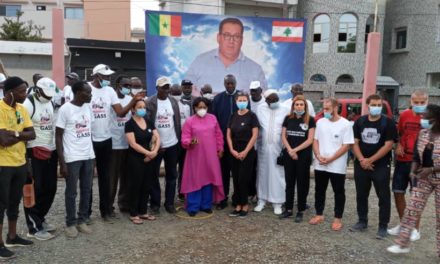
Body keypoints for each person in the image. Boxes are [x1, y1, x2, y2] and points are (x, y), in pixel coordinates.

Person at [88, 64, 143, 222]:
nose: (107, 78)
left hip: (107, 139)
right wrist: (133, 100)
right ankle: (87, 213)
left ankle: (107, 210)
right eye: (105, 76)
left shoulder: (109, 91)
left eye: (109, 76)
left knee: (107, 178)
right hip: (93, 140)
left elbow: (120, 112)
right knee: (92, 179)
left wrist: (133, 101)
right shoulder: (87, 89)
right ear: (96, 75)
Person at [387, 104, 440, 256]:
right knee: (411, 210)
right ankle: (402, 244)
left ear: (435, 119)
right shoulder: (423, 133)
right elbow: (417, 157)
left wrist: (431, 169)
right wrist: (412, 171)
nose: (422, 119)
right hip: (423, 177)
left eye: (425, 117)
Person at [349, 94, 397, 239]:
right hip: (361, 164)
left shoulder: (388, 123)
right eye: (373, 104)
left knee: (383, 196)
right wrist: (362, 159)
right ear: (367, 105)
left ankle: (383, 226)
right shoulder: (360, 122)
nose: (376, 107)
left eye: (379, 105)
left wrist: (370, 160)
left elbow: (389, 145)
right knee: (361, 194)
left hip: (381, 165)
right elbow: (354, 142)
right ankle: (362, 221)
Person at [0, 77, 35, 260]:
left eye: (25, 90)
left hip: (19, 162)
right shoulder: (0, 109)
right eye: (21, 91)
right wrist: (22, 135)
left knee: (14, 202)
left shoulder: (22, 109)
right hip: (2, 164)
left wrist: (14, 133)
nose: (24, 94)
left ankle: (12, 237)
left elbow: (32, 134)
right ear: (9, 92)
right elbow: (2, 141)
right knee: (1, 204)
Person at [185, 17, 267, 92]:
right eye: (227, 35)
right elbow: (186, 91)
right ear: (218, 37)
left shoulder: (256, 70)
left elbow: (262, 100)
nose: (231, 40)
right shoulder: (200, 61)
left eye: (236, 36)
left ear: (242, 40)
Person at [56, 80, 94, 238]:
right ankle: (70, 223)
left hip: (88, 155)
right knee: (71, 192)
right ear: (78, 93)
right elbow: (58, 136)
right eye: (87, 92)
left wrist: (93, 156)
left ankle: (82, 219)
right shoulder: (65, 109)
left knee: (87, 189)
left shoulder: (87, 107)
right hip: (72, 157)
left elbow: (89, 132)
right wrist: (62, 162)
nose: (90, 95)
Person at [388, 90, 428, 240]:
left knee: (415, 197)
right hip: (403, 161)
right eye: (415, 102)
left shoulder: (432, 117)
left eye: (421, 102)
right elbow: (399, 134)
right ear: (411, 102)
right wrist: (397, 145)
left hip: (419, 164)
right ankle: (404, 225)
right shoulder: (404, 115)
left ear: (426, 101)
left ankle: (415, 229)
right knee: (398, 192)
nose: (418, 105)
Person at [309, 98, 354, 231]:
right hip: (320, 163)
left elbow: (346, 146)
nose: (325, 111)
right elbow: (315, 140)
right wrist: (318, 155)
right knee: (319, 189)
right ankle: (319, 214)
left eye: (327, 109)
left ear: (335, 108)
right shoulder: (321, 122)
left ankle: (337, 218)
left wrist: (331, 159)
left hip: (337, 165)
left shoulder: (345, 124)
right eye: (323, 108)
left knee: (338, 191)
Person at [22, 77, 58, 241]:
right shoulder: (29, 104)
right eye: (46, 94)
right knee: (34, 191)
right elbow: (22, 130)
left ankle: (40, 219)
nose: (49, 97)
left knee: (50, 188)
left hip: (50, 150)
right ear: (37, 90)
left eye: (51, 94)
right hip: (33, 151)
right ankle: (33, 227)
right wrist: (25, 159)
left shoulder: (50, 102)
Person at [180, 97, 224, 216]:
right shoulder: (189, 121)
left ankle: (206, 205)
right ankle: (193, 206)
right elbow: (185, 138)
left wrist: (220, 148)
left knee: (209, 177)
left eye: (204, 107)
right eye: (200, 107)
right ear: (194, 108)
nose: (202, 109)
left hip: (211, 155)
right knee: (195, 178)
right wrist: (190, 142)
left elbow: (218, 135)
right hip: (195, 155)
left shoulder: (213, 118)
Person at [146, 76, 181, 214]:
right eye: (163, 87)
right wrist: (154, 144)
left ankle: (169, 203)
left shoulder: (173, 101)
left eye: (168, 87)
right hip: (157, 146)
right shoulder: (150, 102)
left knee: (172, 175)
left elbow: (176, 121)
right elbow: (148, 124)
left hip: (172, 144)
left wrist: (177, 139)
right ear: (157, 88)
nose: (166, 89)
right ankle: (155, 203)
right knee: (153, 175)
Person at [254, 89, 290, 215]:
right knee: (262, 173)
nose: (274, 102)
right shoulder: (261, 109)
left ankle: (278, 202)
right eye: (270, 100)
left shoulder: (285, 109)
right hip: (263, 148)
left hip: (278, 149)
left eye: (276, 99)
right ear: (266, 100)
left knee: (278, 174)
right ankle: (262, 200)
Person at [280, 95, 315, 222]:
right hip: (289, 155)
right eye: (297, 104)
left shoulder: (310, 120)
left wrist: (295, 150)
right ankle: (288, 209)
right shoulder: (287, 119)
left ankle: (300, 210)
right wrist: (290, 150)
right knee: (289, 183)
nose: (299, 106)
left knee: (302, 183)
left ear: (305, 106)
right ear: (293, 106)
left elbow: (310, 139)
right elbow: (283, 136)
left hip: (303, 156)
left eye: (301, 104)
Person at [125, 99, 160, 224]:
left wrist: (154, 152)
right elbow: (133, 144)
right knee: (136, 185)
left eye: (144, 107)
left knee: (147, 185)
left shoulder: (149, 122)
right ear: (133, 109)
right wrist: (148, 153)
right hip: (136, 159)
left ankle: (143, 211)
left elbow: (157, 137)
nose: (142, 109)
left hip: (150, 158)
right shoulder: (129, 124)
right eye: (139, 107)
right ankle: (133, 213)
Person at [211, 74, 243, 209]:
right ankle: (222, 198)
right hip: (223, 142)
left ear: (236, 83)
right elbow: (214, 121)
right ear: (224, 84)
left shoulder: (242, 98)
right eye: (227, 84)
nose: (230, 86)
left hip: (239, 142)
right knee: (223, 172)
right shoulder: (218, 99)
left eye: (232, 83)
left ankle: (237, 199)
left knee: (237, 172)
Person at [227, 92, 259, 217]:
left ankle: (245, 205)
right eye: (239, 100)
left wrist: (245, 151)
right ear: (236, 102)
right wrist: (231, 149)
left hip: (248, 151)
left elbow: (255, 135)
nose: (241, 102)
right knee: (235, 178)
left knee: (243, 179)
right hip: (234, 150)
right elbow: (228, 134)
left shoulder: (252, 116)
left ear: (247, 101)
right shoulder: (232, 116)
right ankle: (237, 205)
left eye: (244, 100)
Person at [109, 76, 133, 213]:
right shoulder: (112, 98)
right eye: (125, 85)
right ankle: (109, 206)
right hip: (114, 143)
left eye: (129, 86)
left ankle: (123, 203)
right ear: (118, 84)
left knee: (126, 176)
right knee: (112, 177)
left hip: (128, 143)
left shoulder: (130, 99)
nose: (128, 88)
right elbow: (120, 112)